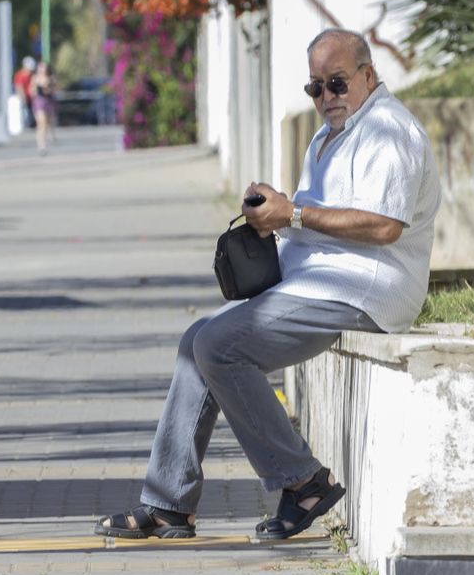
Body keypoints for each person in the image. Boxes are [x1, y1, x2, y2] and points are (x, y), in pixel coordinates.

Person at [95, 28, 440, 541]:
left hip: (364, 288)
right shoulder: (328, 137)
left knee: (219, 345)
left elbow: (384, 226)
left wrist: (294, 211)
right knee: (197, 342)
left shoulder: (389, 132)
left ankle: (304, 482)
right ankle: (169, 503)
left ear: (369, 74)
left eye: (338, 84)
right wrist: (273, 216)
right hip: (317, 281)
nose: (327, 99)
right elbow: (312, 219)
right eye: (316, 88)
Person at [30, 60, 56, 154]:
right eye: (40, 67)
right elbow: (32, 91)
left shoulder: (51, 78)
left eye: (43, 67)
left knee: (47, 123)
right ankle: (41, 144)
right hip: (39, 102)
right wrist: (38, 89)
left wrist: (48, 88)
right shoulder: (35, 78)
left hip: (48, 102)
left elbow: (54, 90)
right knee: (41, 123)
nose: (42, 69)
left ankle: (47, 138)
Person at [13, 55, 36, 130]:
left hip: (32, 98)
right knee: (24, 114)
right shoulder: (19, 75)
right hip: (24, 98)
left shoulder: (32, 75)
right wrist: (23, 98)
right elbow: (19, 88)